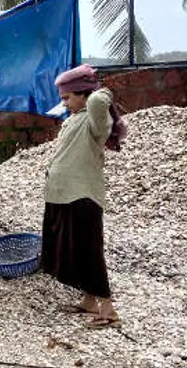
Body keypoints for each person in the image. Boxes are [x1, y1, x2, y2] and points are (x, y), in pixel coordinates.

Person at [42, 63, 126, 329]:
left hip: (83, 196)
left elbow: (100, 101)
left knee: (90, 252)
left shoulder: (95, 120)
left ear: (83, 94)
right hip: (62, 195)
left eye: (67, 97)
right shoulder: (75, 119)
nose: (64, 103)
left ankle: (109, 310)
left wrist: (93, 85)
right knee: (75, 251)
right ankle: (89, 301)